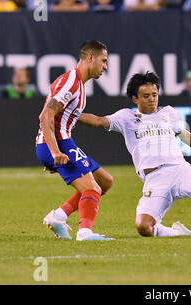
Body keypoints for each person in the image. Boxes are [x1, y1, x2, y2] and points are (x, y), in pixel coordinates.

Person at [78, 71, 191, 237]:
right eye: (146, 96)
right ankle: (177, 233)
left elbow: (183, 134)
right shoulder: (126, 117)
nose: (152, 99)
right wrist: (71, 114)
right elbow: (98, 121)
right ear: (135, 99)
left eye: (155, 94)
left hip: (180, 170)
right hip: (155, 180)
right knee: (143, 227)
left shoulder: (168, 113)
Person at [36, 40, 114, 241]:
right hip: (57, 144)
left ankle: (58, 216)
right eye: (103, 61)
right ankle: (85, 233)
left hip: (62, 143)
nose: (105, 66)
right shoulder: (71, 82)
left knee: (105, 181)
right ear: (90, 58)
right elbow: (45, 116)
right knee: (91, 188)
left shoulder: (78, 83)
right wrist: (53, 152)